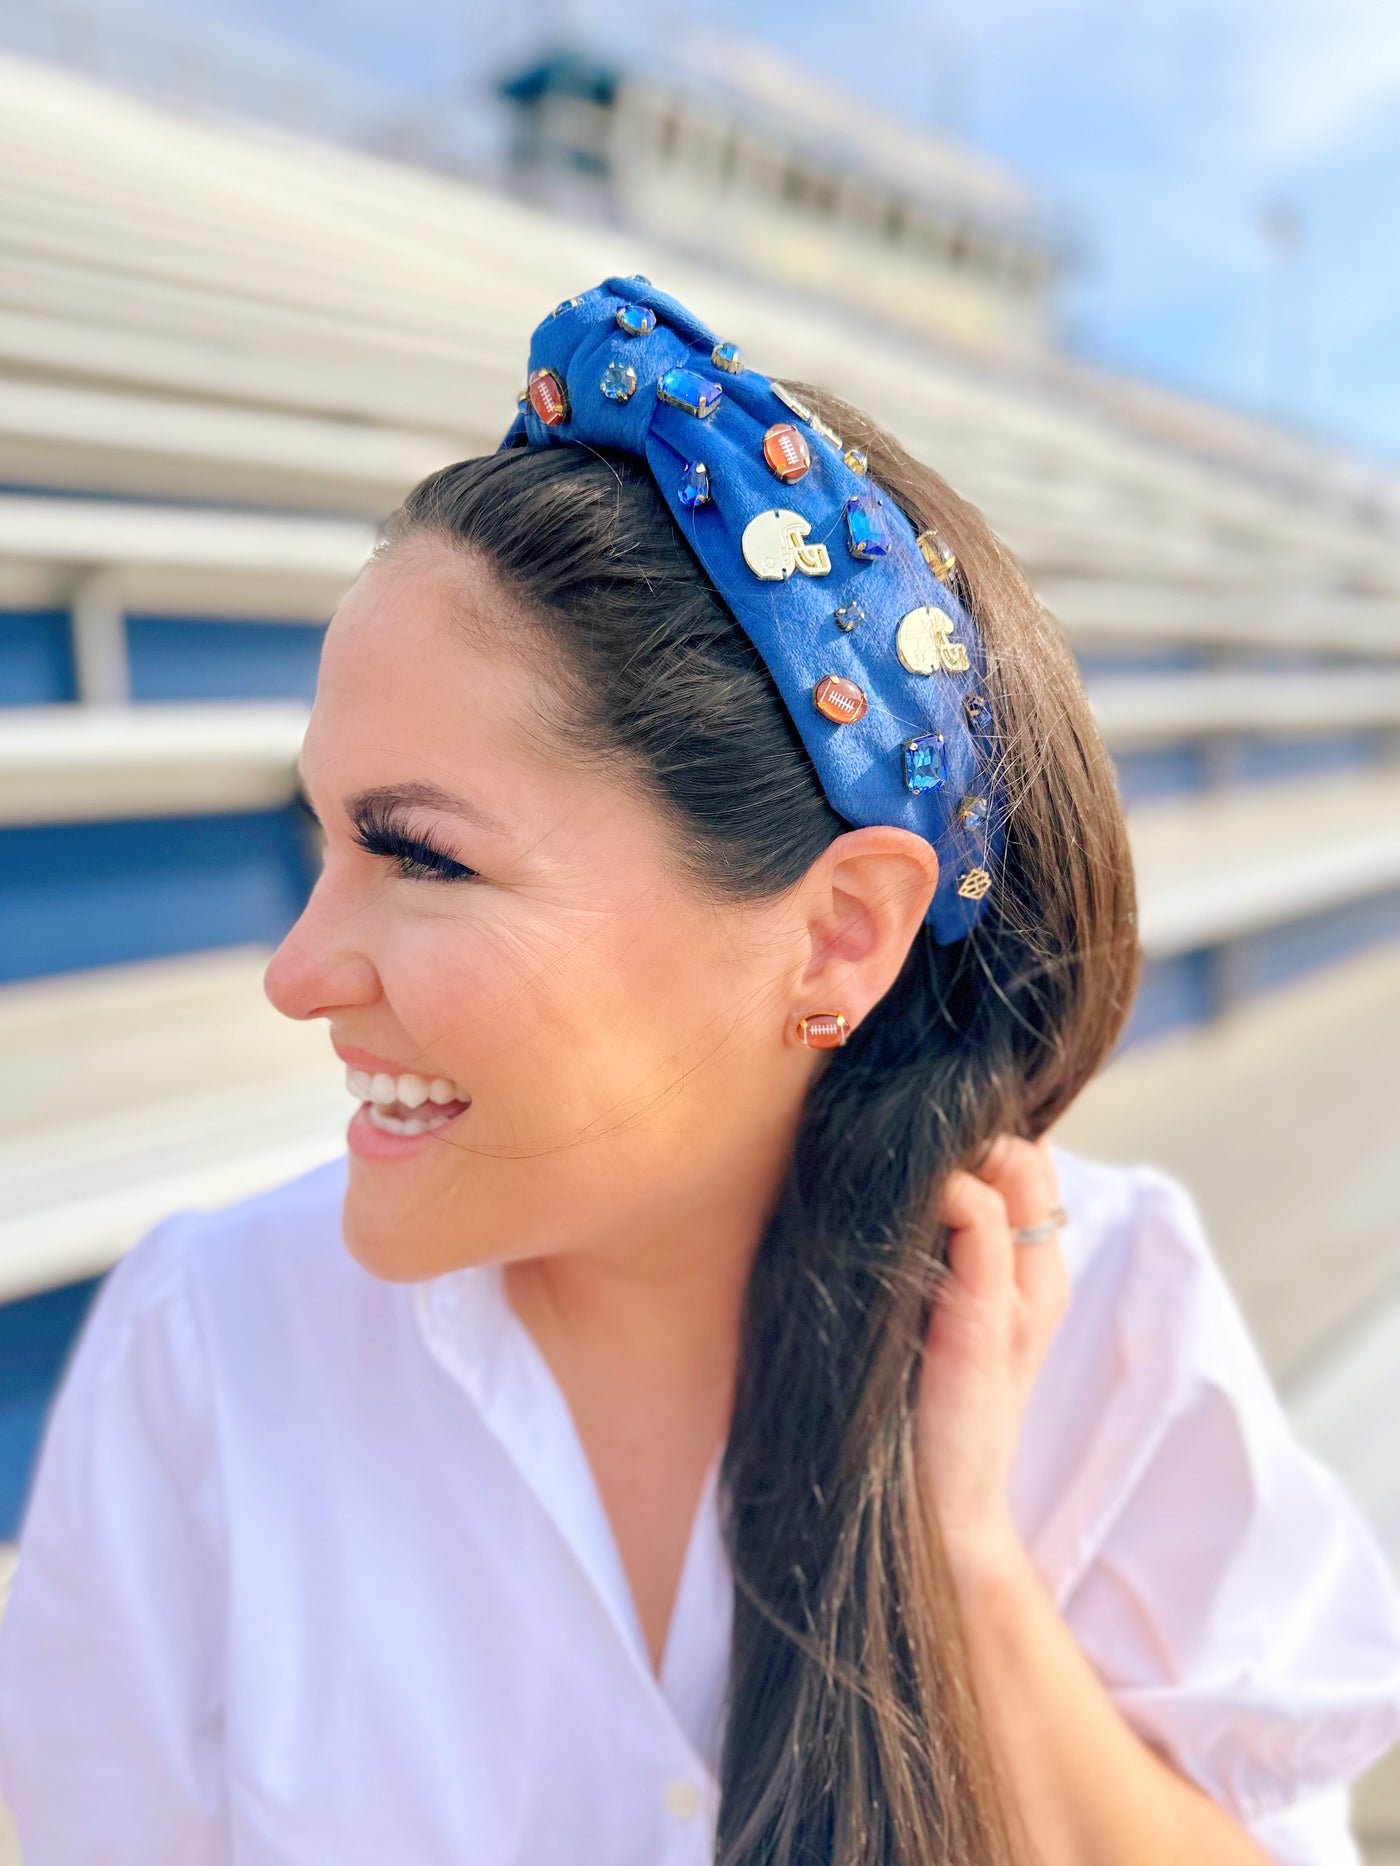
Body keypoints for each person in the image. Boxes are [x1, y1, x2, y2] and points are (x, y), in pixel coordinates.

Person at [1, 276, 1398, 1866]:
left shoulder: (1119, 1319)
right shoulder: (204, 1348)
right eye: (322, 841)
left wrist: (967, 1572)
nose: (296, 972)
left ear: (838, 938)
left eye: (420, 857)